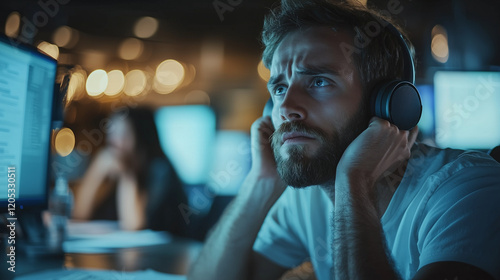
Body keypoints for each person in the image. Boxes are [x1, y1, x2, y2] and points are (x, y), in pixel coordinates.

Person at [188, 0, 500, 279]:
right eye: (280, 89)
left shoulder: (468, 188)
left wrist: (354, 180)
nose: (286, 109)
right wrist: (262, 180)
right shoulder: (307, 193)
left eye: (319, 81)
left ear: (388, 103)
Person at [73, 107, 187, 235]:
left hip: (166, 251)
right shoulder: (112, 167)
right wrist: (96, 172)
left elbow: (133, 225)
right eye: (112, 133)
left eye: (123, 134)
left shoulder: (160, 170)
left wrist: (126, 174)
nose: (114, 142)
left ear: (141, 137)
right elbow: (79, 214)